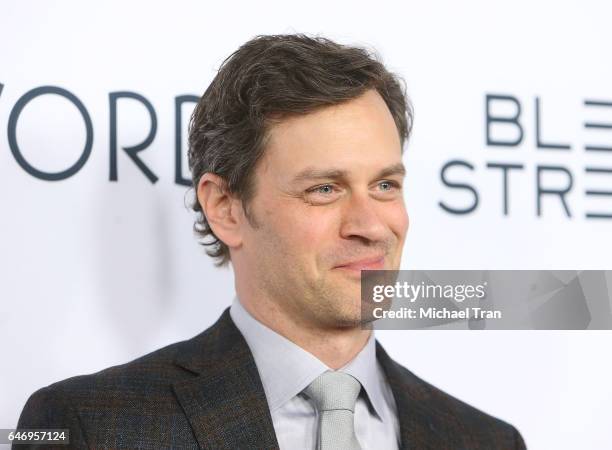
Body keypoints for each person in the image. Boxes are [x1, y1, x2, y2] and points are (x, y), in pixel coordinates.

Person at [16, 34, 526, 449]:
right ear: (225, 208)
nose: (371, 225)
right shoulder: (86, 426)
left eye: (385, 186)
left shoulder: (487, 440)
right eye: (324, 189)